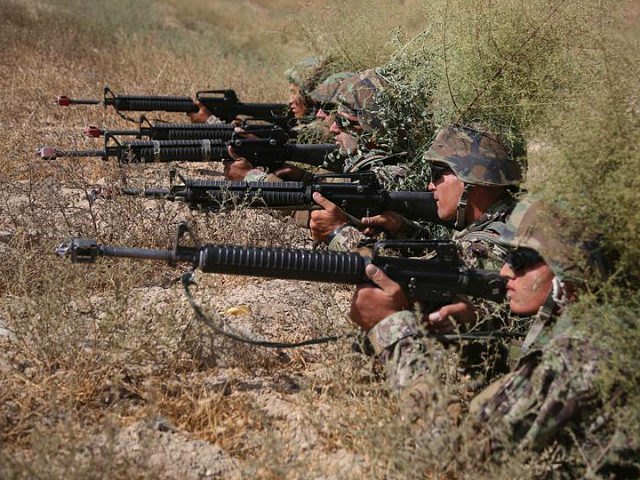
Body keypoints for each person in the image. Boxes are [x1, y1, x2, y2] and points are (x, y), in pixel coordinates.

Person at [349, 196, 637, 474]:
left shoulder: (578, 360)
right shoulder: (609, 324)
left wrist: (392, 329)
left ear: (569, 269)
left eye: (520, 258)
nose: (504, 271)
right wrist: (477, 329)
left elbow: (456, 454)